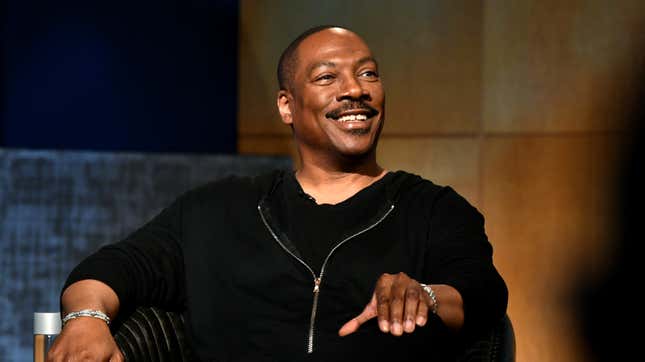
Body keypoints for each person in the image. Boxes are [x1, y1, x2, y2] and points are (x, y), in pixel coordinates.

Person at [47, 25, 508, 361]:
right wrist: (86, 318)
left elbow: (482, 293)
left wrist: (424, 294)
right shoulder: (218, 210)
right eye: (328, 78)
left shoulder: (432, 209)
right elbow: (117, 267)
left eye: (368, 75)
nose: (355, 91)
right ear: (286, 106)